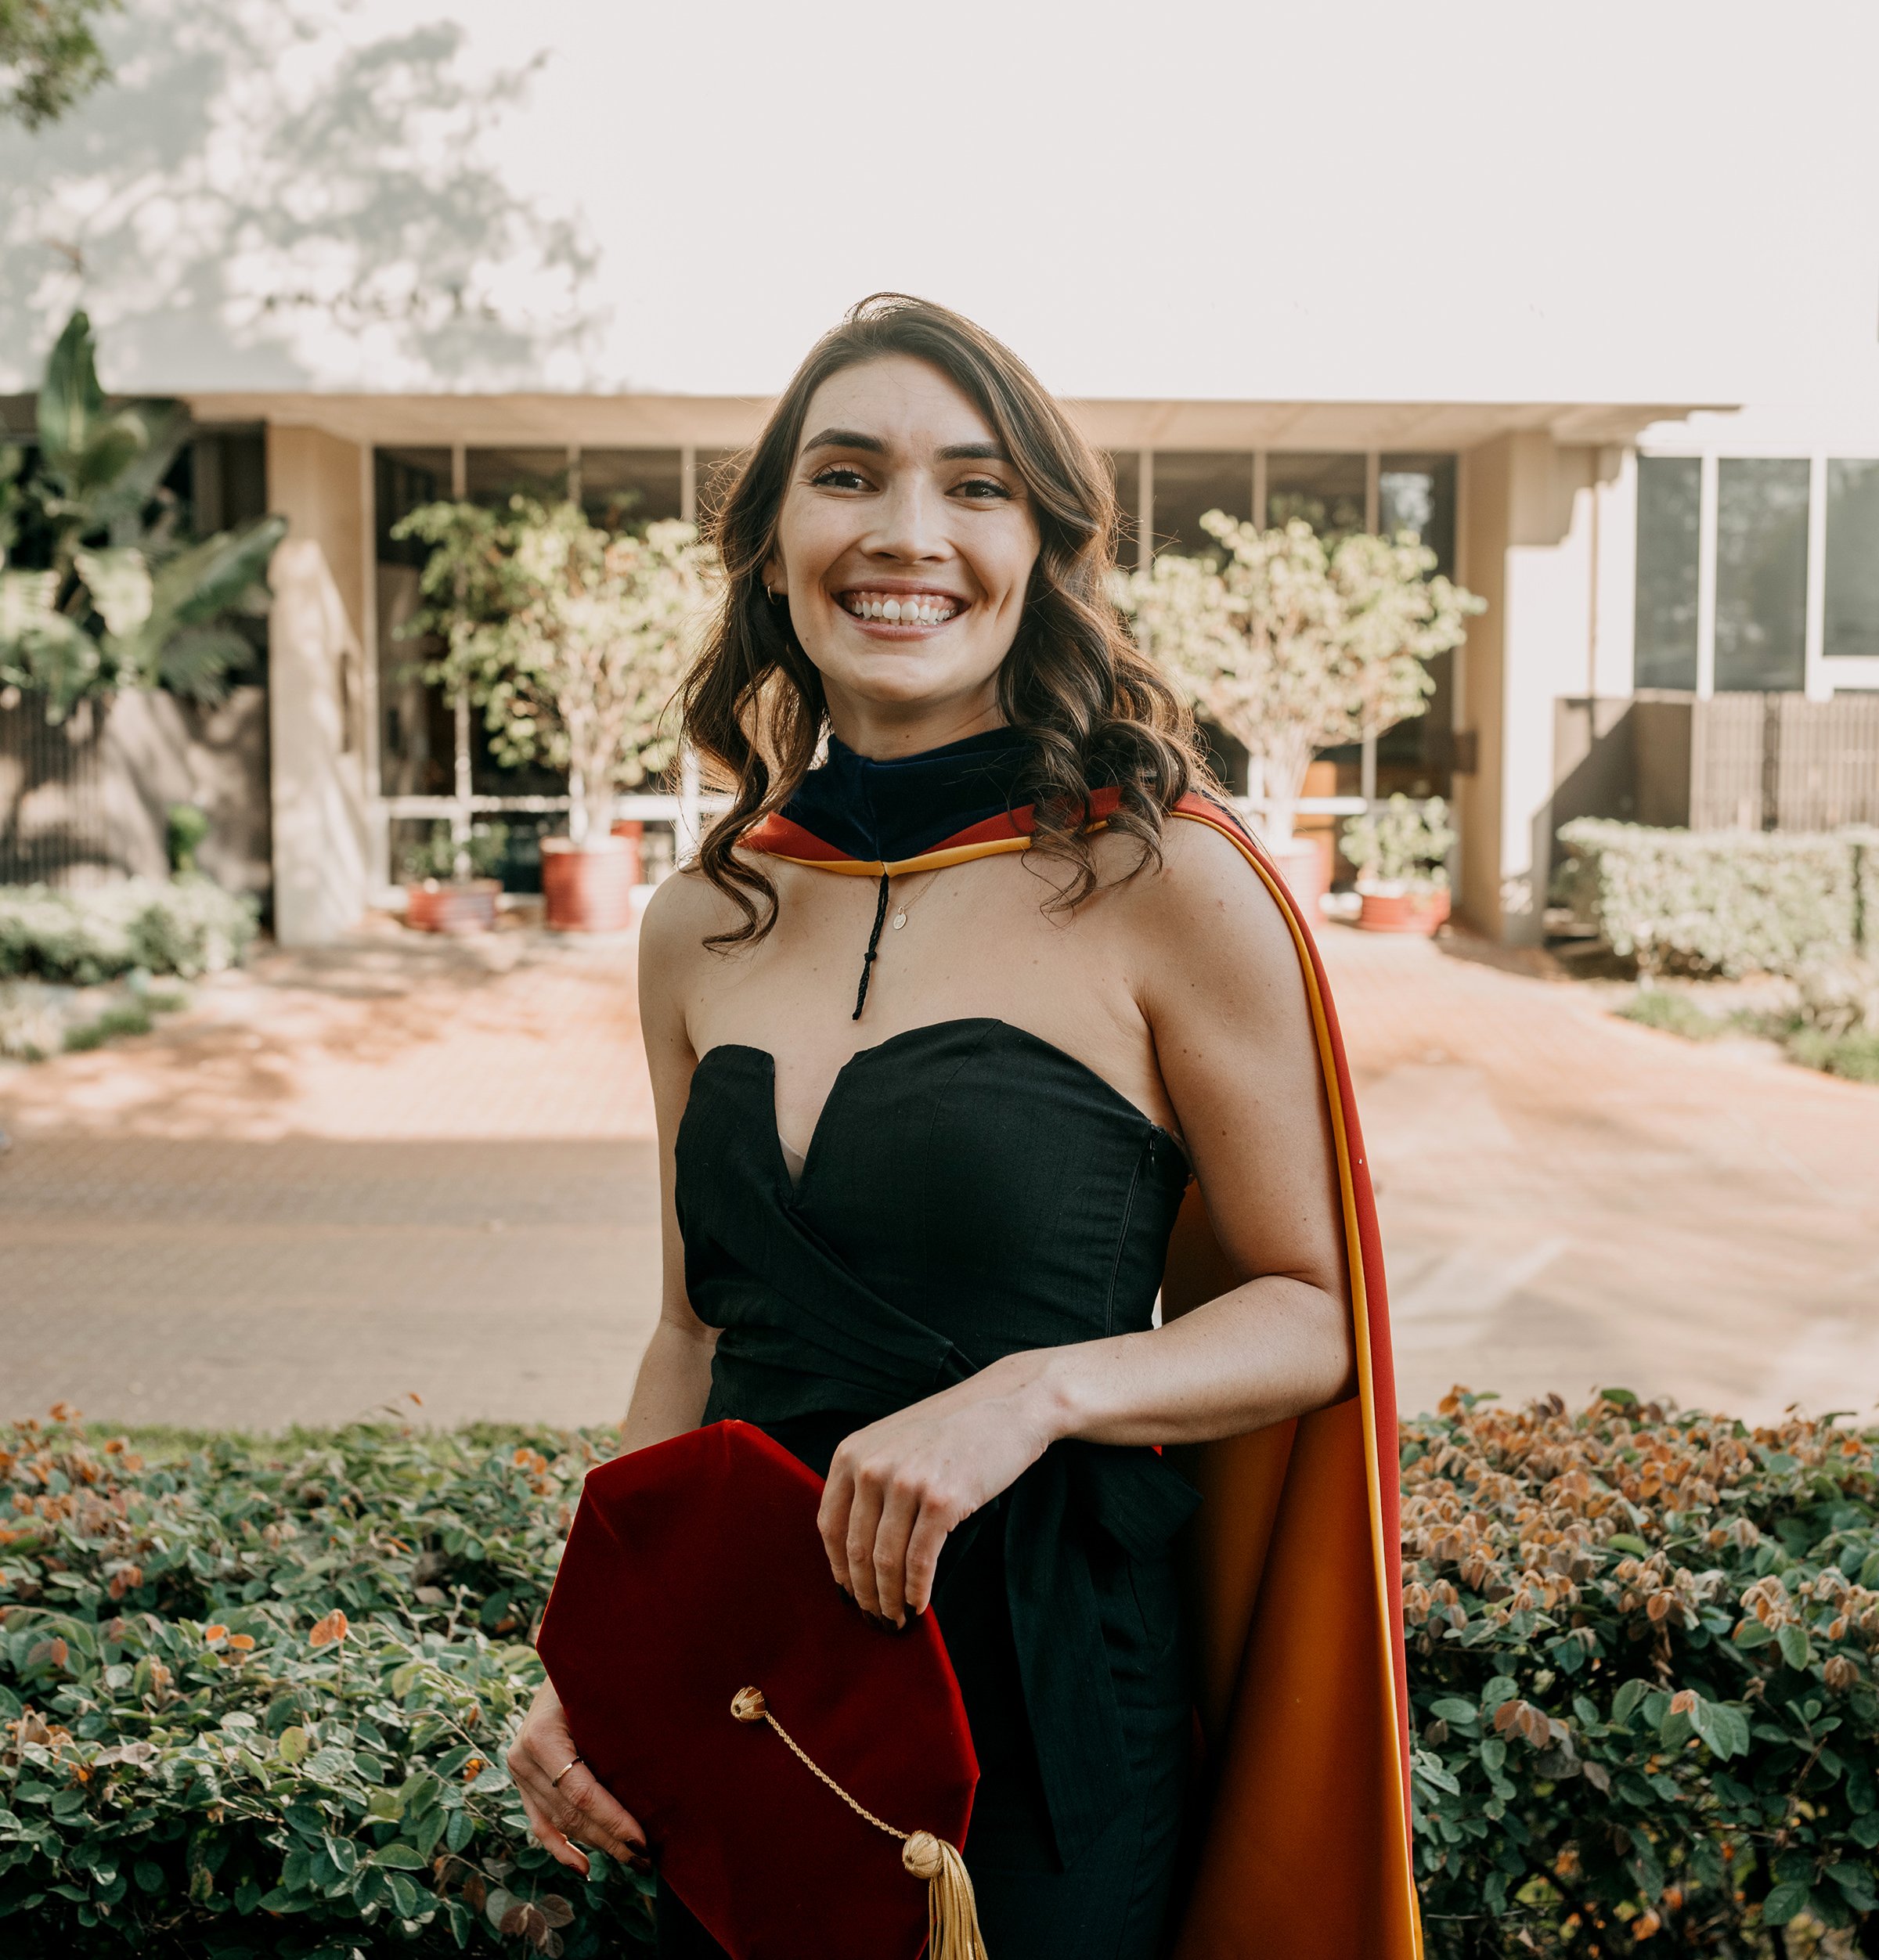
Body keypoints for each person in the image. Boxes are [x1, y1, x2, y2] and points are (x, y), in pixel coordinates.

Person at [509, 295, 1419, 1959]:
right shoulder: (699, 920)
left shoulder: (1164, 877)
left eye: (976, 486)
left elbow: (1313, 1314)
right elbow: (695, 1327)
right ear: (776, 537)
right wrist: (599, 1650)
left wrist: (1036, 1390)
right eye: (848, 474)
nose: (907, 533)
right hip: (752, 1708)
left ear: (1044, 547)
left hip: (1045, 1724)